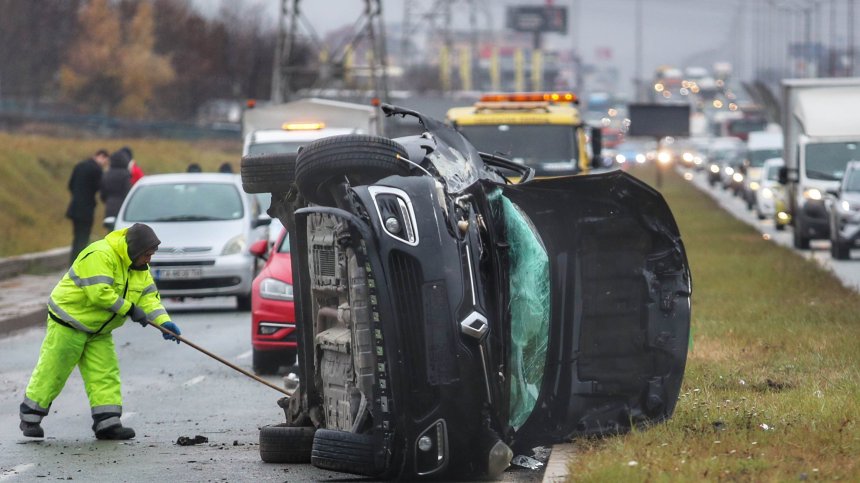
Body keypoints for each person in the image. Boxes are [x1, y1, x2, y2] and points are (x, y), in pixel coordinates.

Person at [19, 223, 182, 440]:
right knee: (54, 371)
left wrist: (164, 322)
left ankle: (108, 423)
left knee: (105, 373)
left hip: (99, 331)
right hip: (70, 321)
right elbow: (99, 293)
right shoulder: (100, 254)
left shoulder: (140, 269)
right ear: (135, 251)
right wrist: (129, 309)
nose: (149, 260)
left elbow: (149, 298)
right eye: (147, 255)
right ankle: (30, 417)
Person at [66, 149, 110, 265]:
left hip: (74, 207)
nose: (104, 164)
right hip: (87, 209)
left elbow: (70, 185)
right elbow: (100, 188)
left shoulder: (79, 166)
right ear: (102, 156)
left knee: (76, 237)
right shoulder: (96, 169)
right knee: (83, 238)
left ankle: (72, 262)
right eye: (105, 161)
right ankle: (79, 263)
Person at [100, 150, 132, 228]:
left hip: (110, 205)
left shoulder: (106, 174)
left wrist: (108, 200)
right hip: (123, 205)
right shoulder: (125, 174)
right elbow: (127, 190)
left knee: (111, 229)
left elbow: (103, 192)